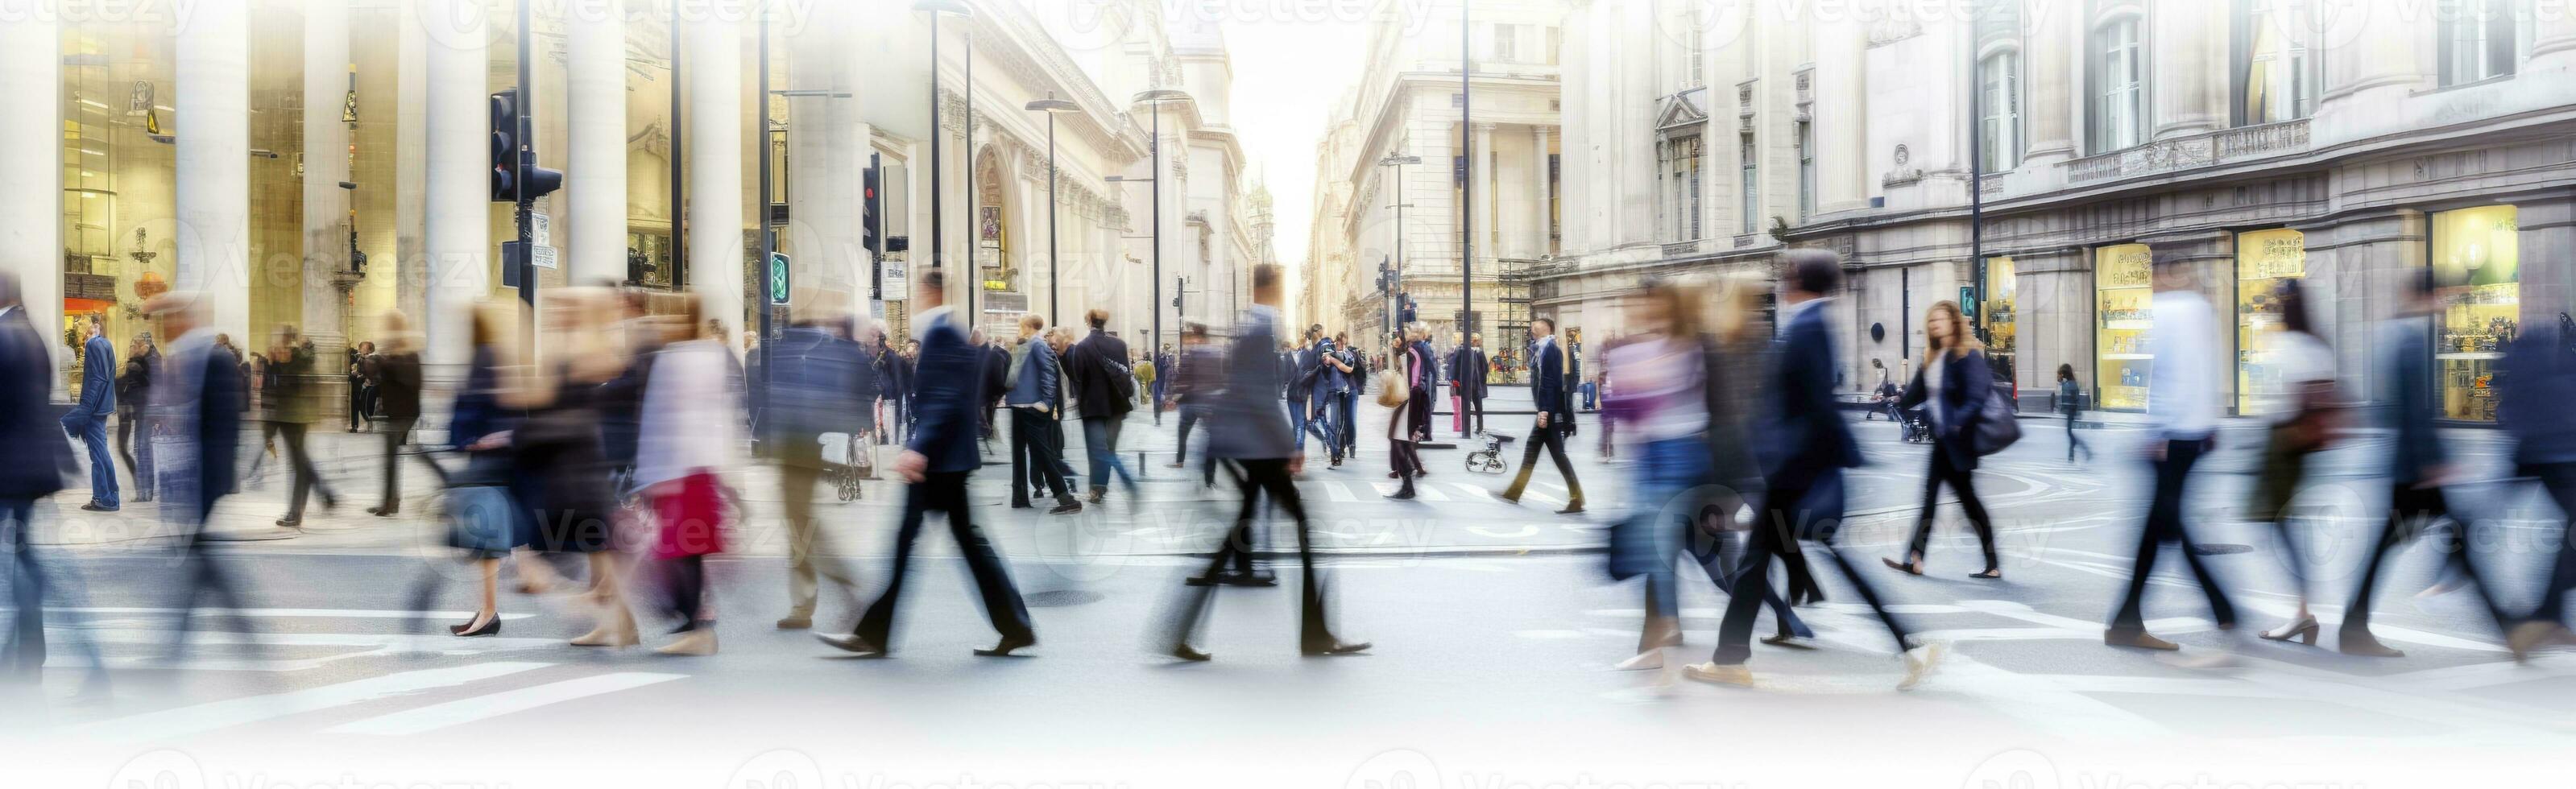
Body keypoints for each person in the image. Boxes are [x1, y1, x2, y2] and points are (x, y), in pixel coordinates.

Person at [1686, 250, 1940, 690]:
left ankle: (1912, 647)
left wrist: (1791, 464)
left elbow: (1814, 406)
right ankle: (1731, 658)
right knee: (1769, 560)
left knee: (1767, 560)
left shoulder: (1807, 327)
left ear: (1800, 281)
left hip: (1795, 471)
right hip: (1799, 468)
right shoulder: (1811, 324)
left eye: (1788, 274)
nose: (1782, 281)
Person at [818, 271, 1037, 659]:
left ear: (931, 292)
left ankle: (875, 634)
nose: (917, 298)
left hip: (939, 463)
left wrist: (919, 447)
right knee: (962, 546)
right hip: (946, 461)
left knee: (912, 546)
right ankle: (1015, 626)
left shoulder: (941, 334)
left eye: (920, 291)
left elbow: (947, 398)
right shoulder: (945, 333)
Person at [1162, 262, 1367, 661]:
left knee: (1235, 537)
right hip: (1256, 446)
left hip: (1245, 445)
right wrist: (1290, 447)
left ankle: (1178, 632)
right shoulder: (1260, 331)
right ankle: (1315, 634)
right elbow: (1258, 396)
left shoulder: (1252, 327)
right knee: (1305, 530)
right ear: (1273, 289)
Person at [2338, 269, 2509, 658]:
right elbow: (2415, 410)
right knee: (2458, 543)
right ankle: (2511, 629)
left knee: (2432, 543)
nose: (2447, 303)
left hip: (2406, 468)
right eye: (2446, 295)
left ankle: (2354, 627)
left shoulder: (2395, 334)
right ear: (2429, 295)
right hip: (2416, 471)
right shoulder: (2412, 338)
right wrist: (2432, 464)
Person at [2105, 250, 2239, 652]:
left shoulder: (2166, 310)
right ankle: (2219, 606)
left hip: (2175, 436)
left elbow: (2161, 374)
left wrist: (2158, 430)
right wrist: (2210, 422)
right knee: (2166, 524)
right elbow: (2202, 371)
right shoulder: (2198, 308)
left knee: (2164, 524)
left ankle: (2133, 620)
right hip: (2191, 433)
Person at [517, 288, 630, 646]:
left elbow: (554, 395)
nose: (555, 312)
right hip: (570, 456)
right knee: (594, 540)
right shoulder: (569, 345)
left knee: (584, 537)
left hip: (576, 458)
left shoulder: (588, 347)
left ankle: (603, 612)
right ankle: (617, 621)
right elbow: (537, 396)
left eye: (564, 306)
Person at [636, 295, 745, 656]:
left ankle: (691, 626)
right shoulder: (702, 357)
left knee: (673, 551)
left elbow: (665, 419)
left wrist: (653, 474)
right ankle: (692, 627)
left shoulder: (679, 359)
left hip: (684, 470)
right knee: (684, 550)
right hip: (692, 469)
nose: (663, 325)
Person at [148, 293, 253, 658]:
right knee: (202, 566)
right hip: (193, 479)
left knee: (200, 562)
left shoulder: (215, 359)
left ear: (186, 321)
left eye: (172, 320)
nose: (167, 328)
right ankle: (236, 639)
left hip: (205, 479)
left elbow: (224, 428)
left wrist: (203, 485)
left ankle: (179, 646)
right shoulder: (190, 357)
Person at [766, 295, 872, 631]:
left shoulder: (806, 350)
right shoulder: (818, 348)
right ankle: (805, 602)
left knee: (802, 527)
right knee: (800, 526)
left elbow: (795, 400)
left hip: (797, 447)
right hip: (800, 446)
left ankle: (838, 588)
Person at [2243, 281, 2341, 646]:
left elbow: (2276, 403)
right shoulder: (2317, 343)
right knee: (2283, 524)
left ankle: (2303, 612)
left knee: (2277, 524)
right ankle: (2303, 611)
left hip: (2281, 444)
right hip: (2305, 448)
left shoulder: (2284, 346)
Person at [1882, 301, 2004, 580]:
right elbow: (1916, 394)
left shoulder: (1967, 356)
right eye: (1932, 321)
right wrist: (1893, 399)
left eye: (1941, 319)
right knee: (1931, 500)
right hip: (1942, 442)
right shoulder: (1932, 358)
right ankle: (1915, 558)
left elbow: (1976, 397)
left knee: (1969, 503)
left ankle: (1991, 562)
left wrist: (1958, 420)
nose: (1935, 325)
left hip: (1960, 441)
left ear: (1953, 322)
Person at [2, 275, 82, 678]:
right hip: (28, 468)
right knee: (23, 559)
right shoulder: (28, 331)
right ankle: (28, 647)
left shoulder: (9, 335)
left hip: (12, 470)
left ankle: (39, 648)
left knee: (25, 564)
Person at [2501, 312, 2576, 655]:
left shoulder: (2542, 340)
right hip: (2558, 449)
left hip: (2546, 448)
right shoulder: (2549, 341)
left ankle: (2551, 619)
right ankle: (2543, 619)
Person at [1497, 316, 1585, 514]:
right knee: (1538, 451)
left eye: (1535, 326)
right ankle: (1515, 492)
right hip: (1548, 410)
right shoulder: (1541, 348)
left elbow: (1549, 381)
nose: (1532, 329)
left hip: (1549, 411)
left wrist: (1544, 411)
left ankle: (1576, 498)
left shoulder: (1550, 349)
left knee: (1556, 456)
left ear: (1546, 328)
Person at [264, 325, 339, 527]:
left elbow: (291, 388)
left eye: (280, 342)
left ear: (287, 342)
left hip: (296, 419)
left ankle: (296, 513)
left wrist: (281, 362)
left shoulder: (297, 360)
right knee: (302, 463)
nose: (277, 346)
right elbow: (270, 394)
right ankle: (326, 495)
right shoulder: (280, 361)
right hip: (287, 419)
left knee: (298, 466)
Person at [1007, 314, 1080, 514]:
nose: (1018, 327)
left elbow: (1049, 373)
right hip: (1022, 407)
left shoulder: (1038, 345)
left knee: (1042, 454)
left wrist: (1046, 403)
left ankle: (1065, 497)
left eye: (1021, 324)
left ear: (1028, 326)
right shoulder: (1028, 345)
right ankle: (1020, 496)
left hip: (1032, 408)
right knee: (1024, 454)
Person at [1066, 309, 1140, 504]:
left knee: (1097, 451)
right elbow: (1125, 374)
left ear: (1089, 321)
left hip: (1093, 406)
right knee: (1109, 450)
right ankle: (1101, 487)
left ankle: (1099, 489)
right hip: (1117, 405)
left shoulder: (1083, 346)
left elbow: (1077, 378)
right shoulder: (1120, 344)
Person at [368, 313, 431, 516]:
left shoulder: (408, 351)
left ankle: (390, 503)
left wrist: (386, 364)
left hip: (403, 412)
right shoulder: (395, 351)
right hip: (396, 411)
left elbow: (411, 380)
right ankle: (390, 502)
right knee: (391, 457)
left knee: (391, 457)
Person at [60, 314, 118, 512]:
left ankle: (105, 498)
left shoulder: (95, 345)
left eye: (82, 334)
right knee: (101, 452)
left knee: (98, 453)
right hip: (102, 406)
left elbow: (98, 378)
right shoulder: (107, 344)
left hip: (94, 408)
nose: (82, 339)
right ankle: (108, 497)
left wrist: (86, 407)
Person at [1166, 322, 1222, 488]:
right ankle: (1209, 477)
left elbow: (1181, 379)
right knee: (1209, 439)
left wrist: (1174, 399)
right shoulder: (1215, 354)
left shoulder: (1189, 355)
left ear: (1197, 337)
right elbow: (1220, 379)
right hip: (1207, 403)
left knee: (1184, 433)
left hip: (1191, 403)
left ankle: (1181, 461)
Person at [1384, 323, 1432, 500]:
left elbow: (1411, 379)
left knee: (1397, 439)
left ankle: (1408, 485)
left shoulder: (1413, 353)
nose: (1407, 333)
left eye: (1410, 331)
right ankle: (1408, 482)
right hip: (1411, 398)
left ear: (1417, 334)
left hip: (1409, 399)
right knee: (1400, 439)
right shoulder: (1415, 351)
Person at [115, 334, 158, 503]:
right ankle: (144, 491)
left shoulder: (145, 362)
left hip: (144, 410)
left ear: (144, 345)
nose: (133, 347)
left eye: (135, 344)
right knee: (140, 449)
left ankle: (145, 491)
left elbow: (143, 385)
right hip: (141, 410)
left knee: (142, 450)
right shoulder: (144, 361)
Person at [2056, 363, 2089, 462]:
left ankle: (2083, 450)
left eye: (2060, 374)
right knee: (2070, 433)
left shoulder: (2069, 385)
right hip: (2071, 411)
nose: (2058, 376)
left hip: (2071, 411)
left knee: (2070, 433)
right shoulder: (2070, 384)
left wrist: (2065, 408)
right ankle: (2071, 456)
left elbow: (2071, 399)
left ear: (2064, 374)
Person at [347, 339, 379, 432]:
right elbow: (354, 370)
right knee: (355, 405)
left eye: (363, 347)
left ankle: (368, 421)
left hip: (366, 385)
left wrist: (364, 378)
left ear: (368, 350)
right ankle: (355, 426)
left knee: (363, 406)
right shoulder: (356, 357)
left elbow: (372, 373)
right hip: (357, 384)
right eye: (361, 347)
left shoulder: (372, 359)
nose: (360, 348)